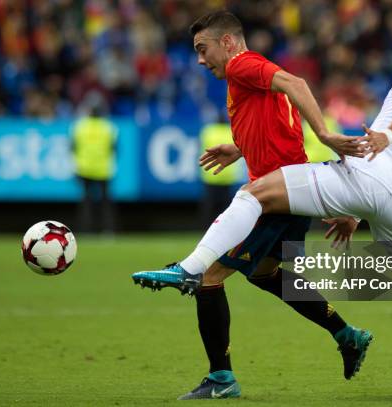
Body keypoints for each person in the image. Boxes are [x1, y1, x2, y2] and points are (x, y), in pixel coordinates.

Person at [134, 28, 392, 399]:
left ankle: (190, 272)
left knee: (252, 195)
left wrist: (385, 137)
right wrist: (354, 211)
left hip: (368, 171)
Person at [133, 11, 371, 400]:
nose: (199, 59)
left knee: (209, 275)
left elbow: (296, 83)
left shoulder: (243, 64)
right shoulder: (246, 76)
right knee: (264, 272)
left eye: (202, 48)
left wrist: (325, 134)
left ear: (227, 42)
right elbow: (280, 126)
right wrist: (239, 147)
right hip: (290, 194)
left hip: (275, 197)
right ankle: (348, 335)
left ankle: (221, 378)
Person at [71, 103, 117, 234]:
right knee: (106, 202)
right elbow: (114, 148)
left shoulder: (80, 126)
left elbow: (73, 147)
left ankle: (85, 229)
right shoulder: (108, 127)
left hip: (84, 168)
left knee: (85, 202)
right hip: (103, 169)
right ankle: (108, 230)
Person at [198, 114, 241, 226]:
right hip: (227, 176)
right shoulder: (231, 131)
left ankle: (206, 228)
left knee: (209, 206)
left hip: (211, 176)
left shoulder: (208, 131)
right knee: (225, 207)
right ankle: (223, 227)